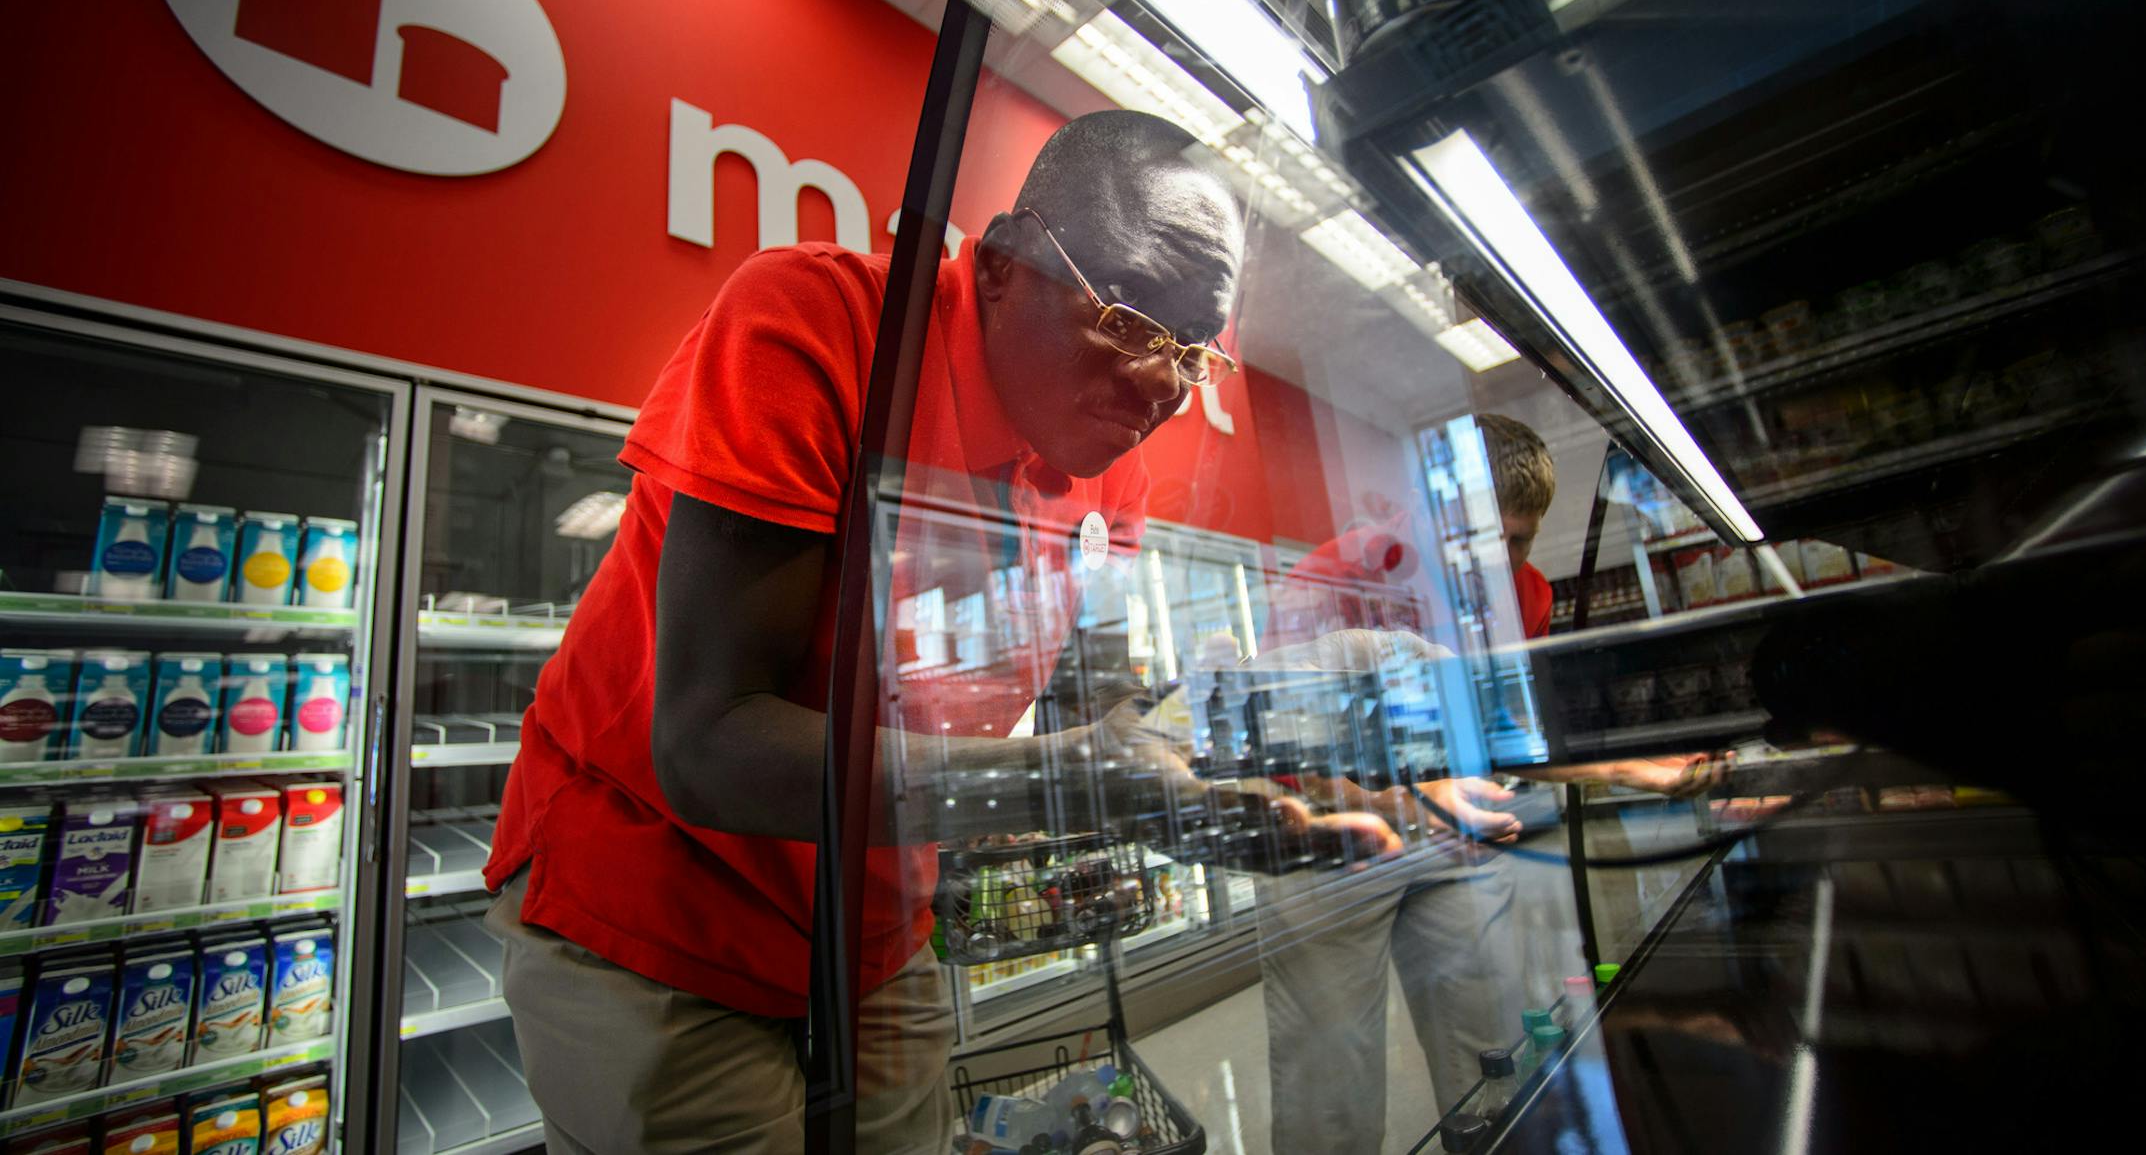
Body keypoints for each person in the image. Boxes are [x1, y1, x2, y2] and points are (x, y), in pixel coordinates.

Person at [481, 110, 1394, 1154]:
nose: (1161, 385)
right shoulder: (819, 325)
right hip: (656, 907)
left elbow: (1088, 696)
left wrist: (1227, 760)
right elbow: (707, 742)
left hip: (875, 930)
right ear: (1001, 264)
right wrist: (1080, 780)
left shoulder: (1109, 466)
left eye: (1194, 352)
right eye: (1132, 319)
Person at [1252, 413, 1718, 1154]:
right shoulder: (1331, 577)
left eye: (1520, 540)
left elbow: (1506, 728)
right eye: (1482, 539)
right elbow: (1279, 747)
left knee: (1493, 1054)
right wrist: (1400, 801)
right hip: (1331, 837)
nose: (1501, 564)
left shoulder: (1527, 593)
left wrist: (1621, 768)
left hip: (1458, 828)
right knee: (1330, 1080)